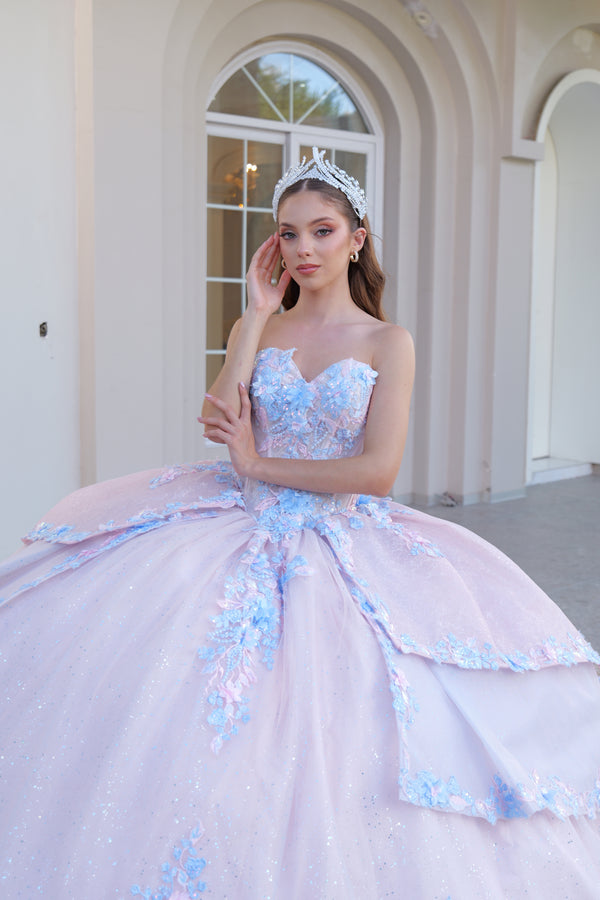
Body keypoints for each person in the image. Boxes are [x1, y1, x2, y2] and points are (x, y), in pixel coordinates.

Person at [1, 148, 600, 899]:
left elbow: (377, 472)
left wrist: (261, 468)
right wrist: (254, 316)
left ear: (357, 237)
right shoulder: (263, 325)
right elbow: (219, 414)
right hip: (230, 523)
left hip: (338, 538)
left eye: (321, 231)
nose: (304, 249)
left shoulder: (389, 343)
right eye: (288, 234)